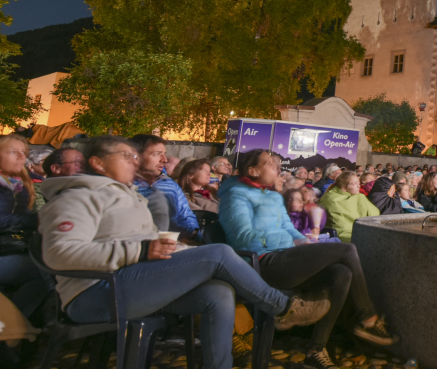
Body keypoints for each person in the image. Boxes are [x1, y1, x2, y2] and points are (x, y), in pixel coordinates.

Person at [41, 136, 330, 369]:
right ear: (98, 163)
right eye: (126, 156)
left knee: (217, 292)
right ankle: (281, 307)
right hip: (97, 294)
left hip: (129, 282)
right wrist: (141, 249)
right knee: (218, 253)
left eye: (134, 155)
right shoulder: (77, 196)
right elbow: (60, 254)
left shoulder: (127, 195)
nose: (135, 161)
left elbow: (138, 241)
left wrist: (171, 248)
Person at [218, 149, 398, 368]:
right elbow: (242, 237)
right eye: (268, 164)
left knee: (342, 273)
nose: (276, 167)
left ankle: (317, 349)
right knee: (347, 250)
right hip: (260, 263)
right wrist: (288, 242)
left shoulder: (273, 196)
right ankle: (368, 318)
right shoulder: (235, 195)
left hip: (284, 255)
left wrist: (303, 241)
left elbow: (287, 228)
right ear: (252, 170)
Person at [0, 135, 49, 322]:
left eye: (24, 152)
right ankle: (10, 327)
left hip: (12, 248)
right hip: (5, 251)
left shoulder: (18, 183)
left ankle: (13, 327)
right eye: (13, 152)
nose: (22, 157)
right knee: (43, 272)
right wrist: (39, 219)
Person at [130, 134, 200, 238]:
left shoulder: (170, 184)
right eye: (157, 154)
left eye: (164, 154)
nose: (164, 159)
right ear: (136, 156)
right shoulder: (125, 184)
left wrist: (194, 235)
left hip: (170, 241)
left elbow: (185, 215)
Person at [319, 173, 379, 241]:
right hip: (341, 234)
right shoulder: (331, 199)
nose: (358, 186)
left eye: (358, 183)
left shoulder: (359, 196)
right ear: (344, 188)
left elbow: (374, 214)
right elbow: (340, 224)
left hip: (362, 231)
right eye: (354, 184)